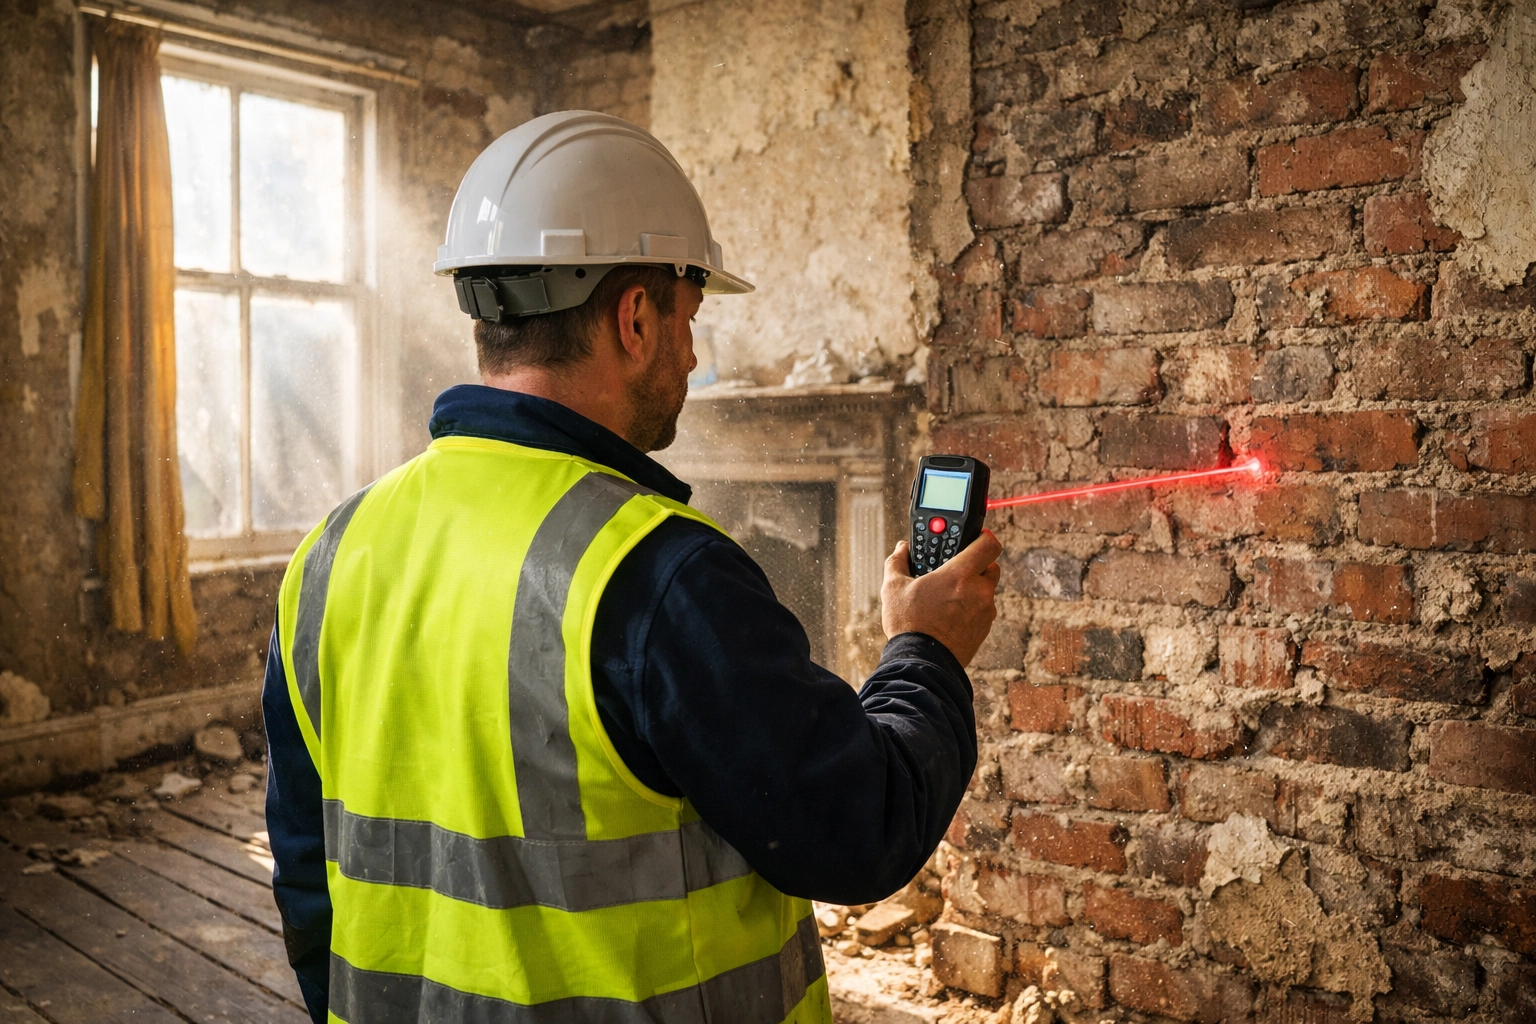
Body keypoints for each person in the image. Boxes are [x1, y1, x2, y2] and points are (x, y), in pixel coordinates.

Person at [263, 110, 1001, 1024]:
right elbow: (860, 828)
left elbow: (306, 881)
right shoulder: (661, 577)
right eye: (690, 320)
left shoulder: (329, 554)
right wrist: (925, 648)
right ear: (637, 317)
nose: (693, 357)